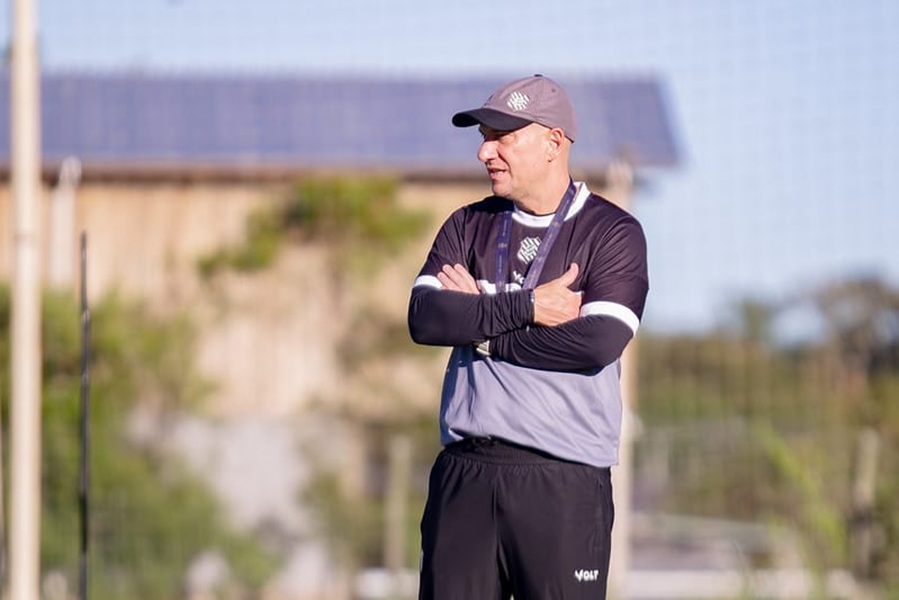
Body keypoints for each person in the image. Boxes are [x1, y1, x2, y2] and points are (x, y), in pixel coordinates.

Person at [407, 74, 648, 600]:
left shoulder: (612, 232)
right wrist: (528, 307)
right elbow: (426, 318)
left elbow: (596, 343)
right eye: (483, 137)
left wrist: (483, 329)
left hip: (563, 481)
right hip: (465, 474)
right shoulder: (466, 225)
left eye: (502, 137)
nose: (484, 152)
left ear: (553, 142)